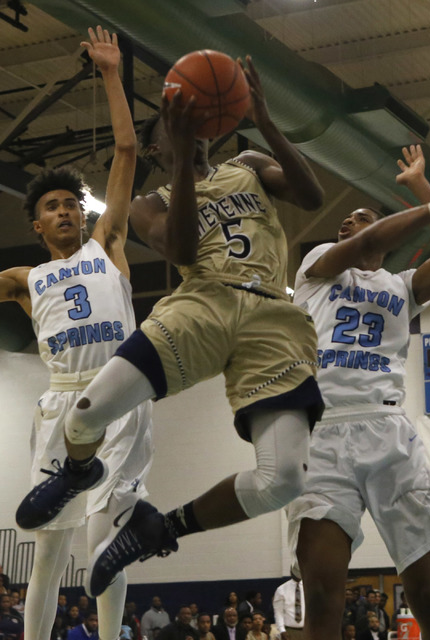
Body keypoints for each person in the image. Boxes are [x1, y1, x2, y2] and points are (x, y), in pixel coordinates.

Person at [16, 54, 324, 597]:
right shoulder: (145, 204)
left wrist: (270, 124)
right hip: (202, 306)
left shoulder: (248, 164)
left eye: (196, 108)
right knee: (85, 417)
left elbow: (312, 196)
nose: (191, 114)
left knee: (286, 481)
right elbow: (181, 247)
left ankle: (162, 527)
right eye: (174, 113)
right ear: (160, 146)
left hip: (274, 318)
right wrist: (183, 162)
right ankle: (78, 472)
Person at [287, 144, 430, 640]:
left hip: (388, 431)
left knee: (427, 598)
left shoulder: (403, 286)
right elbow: (365, 241)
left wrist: (422, 185)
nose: (348, 223)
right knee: (324, 599)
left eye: (360, 217)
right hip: (323, 433)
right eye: (346, 220)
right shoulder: (317, 268)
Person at [3, 26, 152, 640]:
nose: (66, 210)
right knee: (48, 550)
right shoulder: (22, 278)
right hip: (60, 400)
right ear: (38, 224)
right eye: (53, 207)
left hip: (118, 395)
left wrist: (112, 75)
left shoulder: (107, 244)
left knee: (106, 540)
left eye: (72, 203)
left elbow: (125, 152)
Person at [273, 572, 304, 639]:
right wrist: (282, 630)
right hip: (290, 630)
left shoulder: (310, 587)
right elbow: (278, 612)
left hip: (307, 630)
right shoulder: (281, 589)